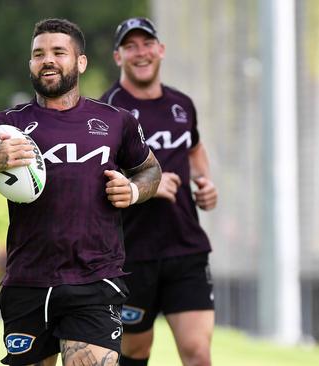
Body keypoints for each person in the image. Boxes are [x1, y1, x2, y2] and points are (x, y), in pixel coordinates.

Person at [0, 18, 162, 366]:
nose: (48, 60)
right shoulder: (4, 128)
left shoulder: (117, 121)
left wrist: (132, 190)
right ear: (30, 64)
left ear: (80, 62)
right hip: (28, 281)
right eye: (39, 54)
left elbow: (150, 169)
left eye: (58, 52)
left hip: (95, 279)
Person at [101, 17, 218, 366]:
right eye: (130, 46)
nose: (141, 53)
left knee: (198, 353)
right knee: (136, 352)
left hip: (186, 248)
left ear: (160, 50)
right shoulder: (106, 111)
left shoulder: (181, 105)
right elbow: (95, 179)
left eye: (147, 44)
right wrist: (146, 186)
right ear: (118, 57)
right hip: (132, 254)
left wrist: (206, 184)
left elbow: (195, 148)